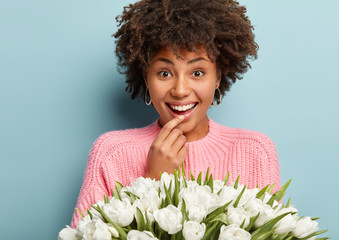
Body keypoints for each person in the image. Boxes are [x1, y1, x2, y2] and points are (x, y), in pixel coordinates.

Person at [70, 0, 281, 227]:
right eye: (164, 73)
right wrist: (153, 180)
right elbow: (84, 232)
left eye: (197, 72)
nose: (180, 90)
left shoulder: (254, 152)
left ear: (217, 77)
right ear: (146, 78)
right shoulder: (111, 153)